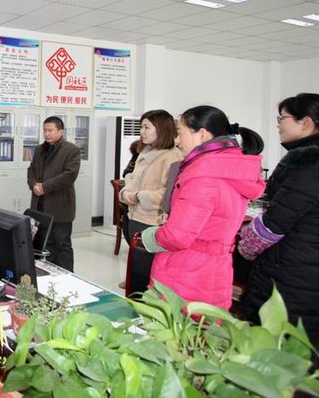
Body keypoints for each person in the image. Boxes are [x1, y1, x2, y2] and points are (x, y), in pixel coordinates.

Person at [141, 106, 264, 309]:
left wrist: (150, 236)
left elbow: (177, 236)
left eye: (180, 133)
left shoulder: (203, 175)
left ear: (202, 134)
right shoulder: (230, 167)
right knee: (204, 324)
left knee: (178, 324)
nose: (177, 141)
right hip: (213, 267)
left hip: (186, 270)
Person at [238, 93, 319, 358]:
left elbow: (275, 223)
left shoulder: (307, 164)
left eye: (282, 118)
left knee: (277, 350)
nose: (278, 124)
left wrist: (246, 244)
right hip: (306, 266)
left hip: (293, 271)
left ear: (306, 123)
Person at [120, 110, 182, 252]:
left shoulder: (172, 157)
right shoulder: (145, 152)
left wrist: (139, 196)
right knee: (136, 260)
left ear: (161, 129)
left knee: (146, 263)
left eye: (147, 127)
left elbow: (169, 193)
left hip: (153, 221)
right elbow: (132, 178)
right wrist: (126, 193)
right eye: (141, 127)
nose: (142, 131)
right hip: (134, 216)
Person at [27, 116, 81, 272]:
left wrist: (44, 187)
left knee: (62, 244)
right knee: (45, 244)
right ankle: (50, 274)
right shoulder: (40, 149)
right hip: (40, 205)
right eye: (45, 130)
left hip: (60, 206)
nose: (47, 134)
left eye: (50, 130)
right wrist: (33, 185)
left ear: (60, 131)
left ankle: (67, 276)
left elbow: (69, 175)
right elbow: (31, 170)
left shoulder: (71, 150)